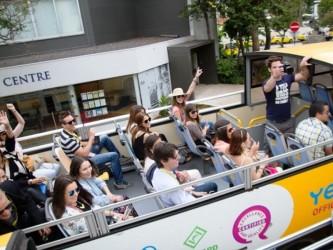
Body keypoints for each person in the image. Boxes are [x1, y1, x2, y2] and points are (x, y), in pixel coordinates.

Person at [59, 111, 132, 189]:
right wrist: (91, 138)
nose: (73, 123)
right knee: (114, 156)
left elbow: (78, 143)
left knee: (104, 137)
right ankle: (119, 182)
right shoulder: (67, 140)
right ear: (63, 125)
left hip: (83, 154)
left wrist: (90, 142)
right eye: (70, 122)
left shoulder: (68, 132)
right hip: (82, 161)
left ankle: (120, 159)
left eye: (73, 120)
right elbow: (84, 153)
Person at [1, 104, 60, 182]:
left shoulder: (12, 137)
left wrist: (14, 110)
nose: (7, 134)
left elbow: (21, 123)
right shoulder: (3, 148)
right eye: (3, 133)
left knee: (57, 167)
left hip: (28, 165)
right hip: (22, 171)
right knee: (52, 173)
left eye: (7, 131)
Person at [52, 175, 128, 236]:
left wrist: (115, 215)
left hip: (103, 224)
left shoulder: (75, 201)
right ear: (60, 194)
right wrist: (118, 224)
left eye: (77, 189)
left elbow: (95, 209)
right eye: (71, 193)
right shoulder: (69, 216)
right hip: (101, 236)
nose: (76, 194)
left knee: (127, 216)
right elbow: (92, 235)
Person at [0, 111, 48, 206]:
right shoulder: (2, 171)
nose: (5, 135)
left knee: (48, 186)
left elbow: (10, 138)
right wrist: (30, 182)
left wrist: (8, 126)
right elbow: (10, 185)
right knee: (31, 192)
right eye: (3, 133)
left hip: (27, 180)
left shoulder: (8, 152)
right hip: (18, 190)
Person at [151, 142, 217, 208]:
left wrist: (192, 192)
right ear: (163, 161)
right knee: (212, 186)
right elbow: (189, 205)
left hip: (181, 198)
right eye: (175, 156)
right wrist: (204, 198)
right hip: (185, 208)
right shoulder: (171, 185)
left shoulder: (158, 170)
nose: (179, 157)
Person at [262, 56, 311, 134]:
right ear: (269, 69)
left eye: (280, 67)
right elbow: (267, 88)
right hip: (273, 122)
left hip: (288, 121)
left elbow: (304, 76)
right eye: (274, 67)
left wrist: (302, 66)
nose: (277, 69)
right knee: (269, 145)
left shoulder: (287, 78)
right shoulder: (267, 82)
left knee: (290, 144)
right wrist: (274, 77)